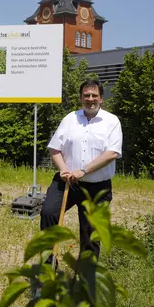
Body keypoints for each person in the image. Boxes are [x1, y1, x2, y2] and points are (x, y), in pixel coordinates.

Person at [40, 78, 122, 263]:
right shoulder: (70, 119)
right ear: (80, 98)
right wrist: (62, 169)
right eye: (86, 95)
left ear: (101, 98)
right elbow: (55, 148)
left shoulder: (111, 121)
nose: (90, 99)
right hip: (67, 182)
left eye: (94, 95)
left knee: (90, 234)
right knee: (48, 213)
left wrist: (83, 171)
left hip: (96, 188)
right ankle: (47, 266)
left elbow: (112, 153)